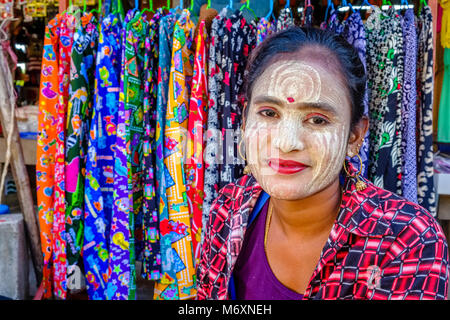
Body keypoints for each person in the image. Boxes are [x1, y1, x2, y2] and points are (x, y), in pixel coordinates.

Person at [196, 27, 449, 300]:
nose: (287, 142)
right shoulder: (228, 207)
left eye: (317, 119)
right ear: (245, 123)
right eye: (269, 113)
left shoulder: (406, 239)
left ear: (355, 135)